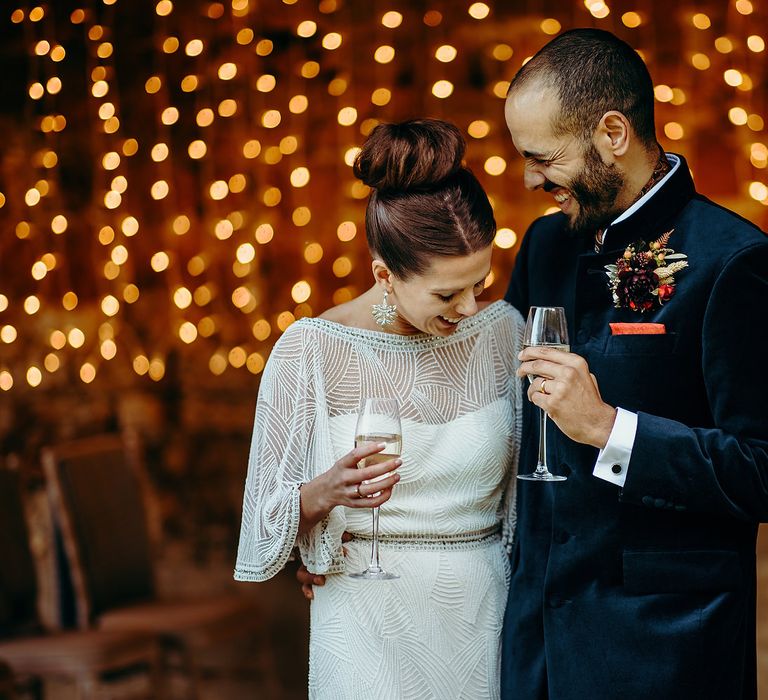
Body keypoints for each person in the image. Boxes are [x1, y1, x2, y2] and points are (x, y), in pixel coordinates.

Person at [500, 28, 768, 699]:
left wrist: (611, 429)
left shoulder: (734, 262)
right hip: (536, 646)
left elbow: (762, 469)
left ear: (612, 133)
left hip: (665, 651)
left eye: (543, 157)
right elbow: (495, 409)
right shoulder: (544, 247)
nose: (530, 179)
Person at [235, 119, 524, 699]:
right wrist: (323, 495)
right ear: (384, 276)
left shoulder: (504, 334)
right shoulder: (310, 351)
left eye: (480, 283)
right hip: (363, 620)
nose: (470, 306)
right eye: (446, 294)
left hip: (482, 616)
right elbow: (260, 530)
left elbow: (533, 496)